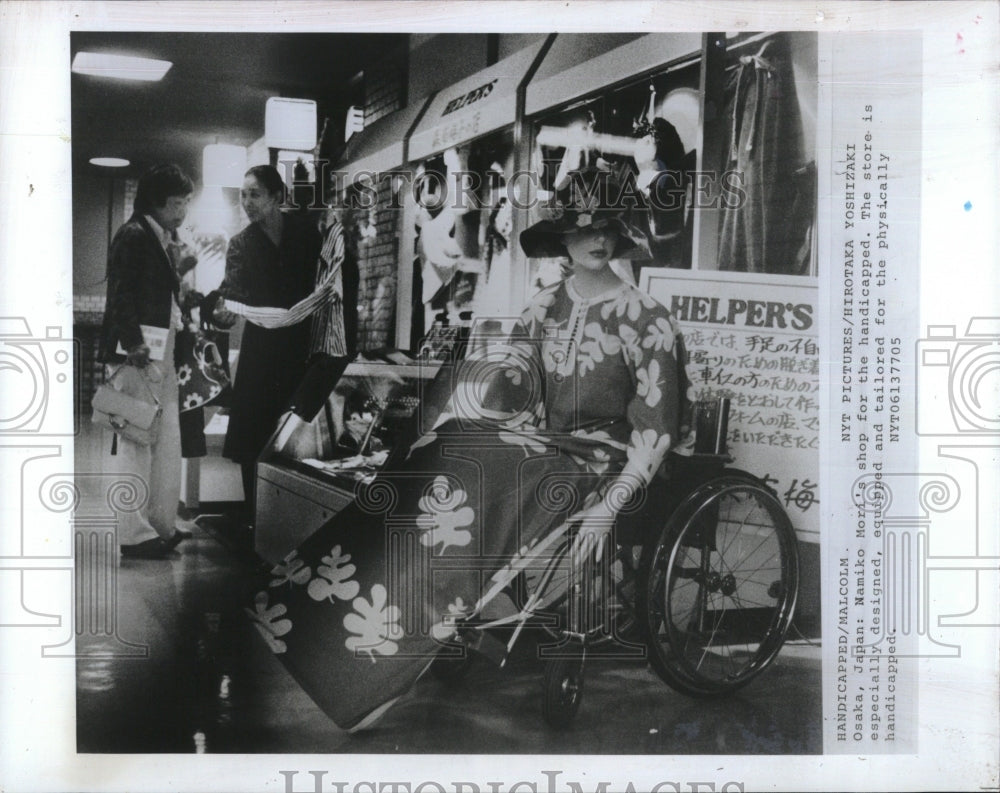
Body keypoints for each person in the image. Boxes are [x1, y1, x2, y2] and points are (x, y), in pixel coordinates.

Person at [245, 170, 693, 730]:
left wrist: (614, 500)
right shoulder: (542, 306)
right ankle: (326, 619)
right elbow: (509, 385)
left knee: (483, 474)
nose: (595, 239)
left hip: (597, 457)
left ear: (621, 233)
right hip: (533, 443)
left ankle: (387, 656)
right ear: (561, 240)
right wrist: (460, 417)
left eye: (606, 228)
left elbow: (657, 423)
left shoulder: (647, 318)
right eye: (581, 230)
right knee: (443, 449)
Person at [214, 165, 331, 525]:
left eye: (255, 194)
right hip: (261, 354)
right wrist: (224, 311)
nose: (247, 203)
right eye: (243, 196)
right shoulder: (242, 244)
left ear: (277, 197)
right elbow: (231, 290)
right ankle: (257, 523)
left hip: (302, 350)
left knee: (300, 438)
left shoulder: (307, 235)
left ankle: (298, 523)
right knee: (255, 441)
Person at [98, 163, 196, 559]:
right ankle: (132, 533)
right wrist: (133, 342)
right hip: (140, 354)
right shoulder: (134, 234)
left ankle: (160, 522)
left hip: (159, 351)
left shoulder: (157, 236)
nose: (183, 211)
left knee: (165, 440)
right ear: (156, 202)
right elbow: (120, 293)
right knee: (138, 440)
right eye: (178, 203)